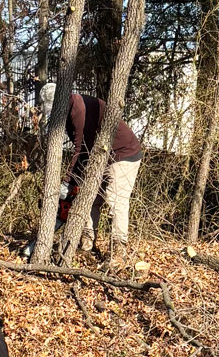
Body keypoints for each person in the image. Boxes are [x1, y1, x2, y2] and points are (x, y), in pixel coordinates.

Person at [40, 82, 144, 259]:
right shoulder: (67, 112)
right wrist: (74, 180)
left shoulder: (79, 110)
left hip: (124, 153)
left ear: (62, 100)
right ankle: (87, 242)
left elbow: (81, 149)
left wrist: (68, 182)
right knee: (90, 197)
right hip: (101, 155)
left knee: (115, 200)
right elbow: (83, 149)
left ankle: (119, 248)